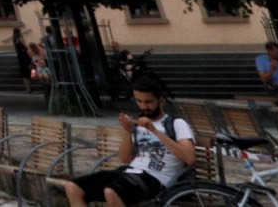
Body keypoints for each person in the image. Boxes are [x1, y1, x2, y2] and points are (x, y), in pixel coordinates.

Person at [61, 76, 195, 207]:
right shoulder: (137, 123)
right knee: (73, 187)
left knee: (112, 192)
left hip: (156, 179)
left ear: (161, 101)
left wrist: (155, 131)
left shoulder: (177, 123)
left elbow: (190, 158)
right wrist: (127, 131)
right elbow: (126, 158)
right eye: (139, 101)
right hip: (128, 172)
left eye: (148, 102)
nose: (144, 106)